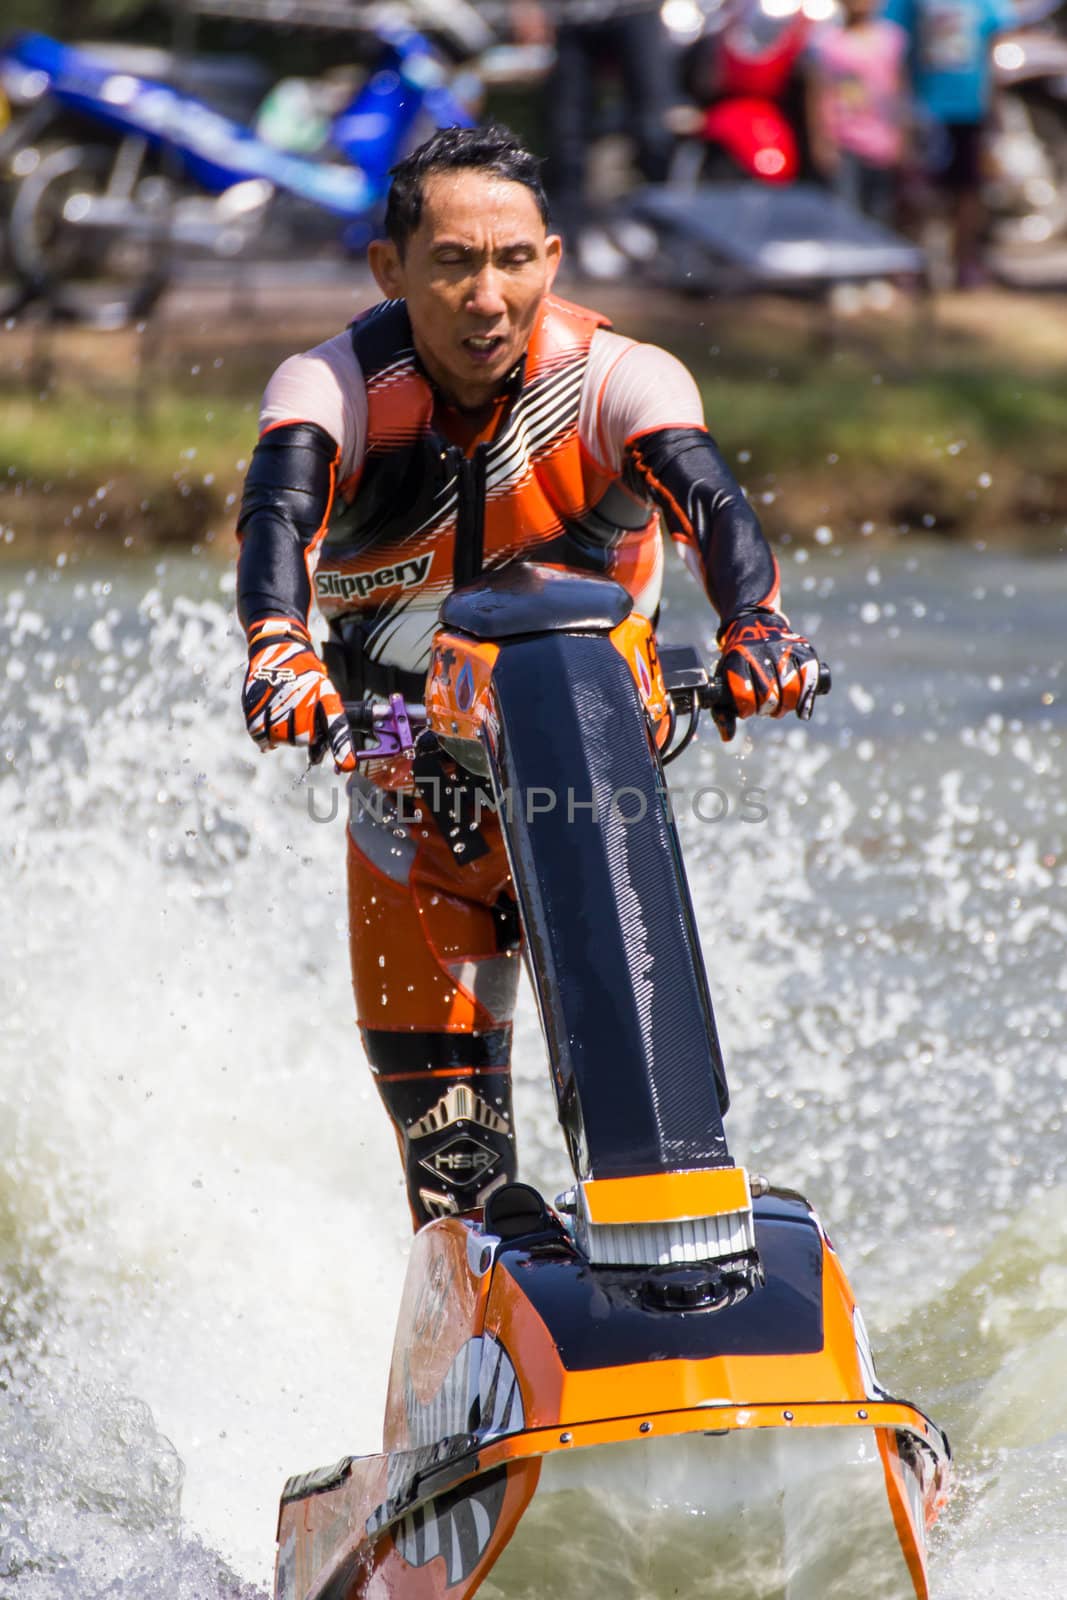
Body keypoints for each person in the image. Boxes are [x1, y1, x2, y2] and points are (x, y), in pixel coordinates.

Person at [236, 124, 821, 1230]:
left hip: (589, 792)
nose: (484, 296)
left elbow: (713, 506)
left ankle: (691, 1274)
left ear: (551, 260)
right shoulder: (333, 387)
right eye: (451, 262)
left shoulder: (618, 378)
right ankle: (469, 1327)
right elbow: (277, 519)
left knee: (661, 1137)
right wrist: (278, 646)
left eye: (512, 261)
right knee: (454, 1181)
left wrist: (759, 627)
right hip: (405, 799)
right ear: (390, 268)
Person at [881, 0, 1016, 286]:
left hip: (970, 109)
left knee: (969, 188)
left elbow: (994, 52)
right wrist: (902, 107)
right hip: (925, 109)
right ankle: (913, 265)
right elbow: (896, 49)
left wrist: (995, 105)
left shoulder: (987, 4)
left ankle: (964, 263)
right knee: (916, 190)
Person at [805, 0, 909, 226]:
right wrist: (821, 139)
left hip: (882, 142)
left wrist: (901, 134)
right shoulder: (826, 41)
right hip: (844, 141)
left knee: (881, 214)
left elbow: (899, 90)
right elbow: (817, 91)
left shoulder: (892, 38)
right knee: (846, 214)